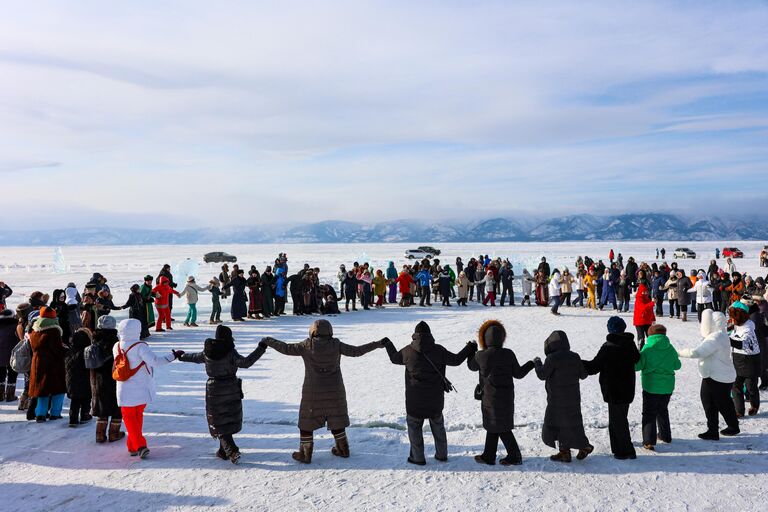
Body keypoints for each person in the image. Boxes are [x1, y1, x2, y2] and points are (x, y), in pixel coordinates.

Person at [262, 320, 386, 463]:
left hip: (312, 391)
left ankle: (305, 454)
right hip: (335, 389)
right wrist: (377, 344)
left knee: (307, 422)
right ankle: (343, 449)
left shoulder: (306, 345)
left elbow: (286, 348)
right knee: (336, 418)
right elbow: (356, 351)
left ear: (312, 331)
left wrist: (268, 341)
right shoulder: (336, 345)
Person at [384, 321, 475, 465]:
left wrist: (388, 344)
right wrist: (469, 348)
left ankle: (417, 457)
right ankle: (442, 455)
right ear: (430, 335)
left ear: (414, 336)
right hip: (435, 400)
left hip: (414, 401)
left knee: (414, 429)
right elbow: (457, 360)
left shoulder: (407, 351)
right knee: (438, 427)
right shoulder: (439, 350)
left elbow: (394, 358)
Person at [178, 325, 268, 464]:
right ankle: (227, 451)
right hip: (231, 387)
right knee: (225, 420)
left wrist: (181, 356)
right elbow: (246, 362)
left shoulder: (208, 351)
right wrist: (261, 348)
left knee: (219, 421)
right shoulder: (230, 352)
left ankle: (228, 450)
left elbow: (195, 357)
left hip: (214, 390)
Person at [469, 320, 534, 466]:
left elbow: (471, 366)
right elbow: (518, 374)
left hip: (489, 398)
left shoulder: (481, 355)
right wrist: (531, 364)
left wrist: (470, 351)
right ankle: (489, 455)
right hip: (506, 397)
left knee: (499, 427)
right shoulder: (508, 354)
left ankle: (514, 456)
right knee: (496, 425)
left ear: (485, 339)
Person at [114, 318, 179, 458]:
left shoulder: (117, 346)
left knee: (130, 417)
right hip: (141, 387)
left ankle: (132, 446)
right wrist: (173, 355)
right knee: (137, 417)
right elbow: (155, 362)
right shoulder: (140, 346)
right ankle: (140, 445)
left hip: (124, 387)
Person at [583, 317, 640, 459]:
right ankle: (617, 448)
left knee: (618, 421)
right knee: (618, 419)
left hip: (614, 390)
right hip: (627, 388)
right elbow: (637, 358)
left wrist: (577, 361)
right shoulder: (630, 344)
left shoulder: (608, 347)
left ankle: (626, 451)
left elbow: (593, 367)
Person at [678, 310, 739, 440]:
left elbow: (697, 352)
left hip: (716, 376)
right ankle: (726, 427)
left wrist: (677, 352)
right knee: (719, 402)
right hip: (718, 375)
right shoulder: (722, 335)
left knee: (714, 403)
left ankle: (718, 429)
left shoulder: (715, 337)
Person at [534, 331, 593, 463]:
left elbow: (542, 375)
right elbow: (583, 375)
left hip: (556, 399)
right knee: (573, 423)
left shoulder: (552, 358)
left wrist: (537, 363)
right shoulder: (574, 356)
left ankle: (580, 447)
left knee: (556, 423)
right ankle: (566, 452)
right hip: (573, 398)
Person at [635, 324, 681, 450]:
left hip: (651, 386)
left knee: (649, 413)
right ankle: (665, 436)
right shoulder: (670, 348)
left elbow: (637, 366)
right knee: (663, 410)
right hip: (667, 386)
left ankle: (649, 441)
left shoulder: (647, 348)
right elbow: (677, 365)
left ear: (650, 334)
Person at [90, 315, 125, 443]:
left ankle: (99, 434)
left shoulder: (94, 340)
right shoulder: (115, 342)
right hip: (113, 376)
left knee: (102, 404)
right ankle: (114, 433)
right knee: (116, 404)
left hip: (97, 377)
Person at [29, 307, 67, 422]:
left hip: (38, 363)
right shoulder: (53, 330)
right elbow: (57, 349)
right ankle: (55, 413)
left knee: (42, 390)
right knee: (58, 389)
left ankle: (40, 414)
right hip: (53, 365)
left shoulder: (35, 330)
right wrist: (66, 349)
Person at [728, 301, 761, 416]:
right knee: (736, 386)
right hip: (737, 359)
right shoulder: (736, 326)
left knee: (751, 387)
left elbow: (744, 344)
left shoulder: (749, 328)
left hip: (750, 361)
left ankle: (754, 406)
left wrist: (727, 340)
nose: (731, 319)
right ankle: (739, 410)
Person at [65, 326, 93, 427]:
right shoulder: (87, 352)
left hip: (71, 380)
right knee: (86, 398)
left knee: (75, 400)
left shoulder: (69, 351)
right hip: (85, 379)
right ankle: (85, 415)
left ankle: (73, 418)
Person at [0, 309, 19, 401]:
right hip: (13, 354)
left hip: (0, 354)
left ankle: (0, 395)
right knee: (12, 374)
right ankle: (10, 395)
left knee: (0, 374)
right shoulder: (16, 326)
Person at [633, 281, 656, 349]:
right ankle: (640, 350)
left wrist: (653, 318)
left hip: (647, 320)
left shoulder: (648, 299)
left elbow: (650, 310)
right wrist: (652, 303)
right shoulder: (638, 299)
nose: (646, 293)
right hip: (639, 321)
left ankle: (651, 349)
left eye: (646, 292)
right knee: (641, 337)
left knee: (650, 336)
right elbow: (642, 308)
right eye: (644, 292)